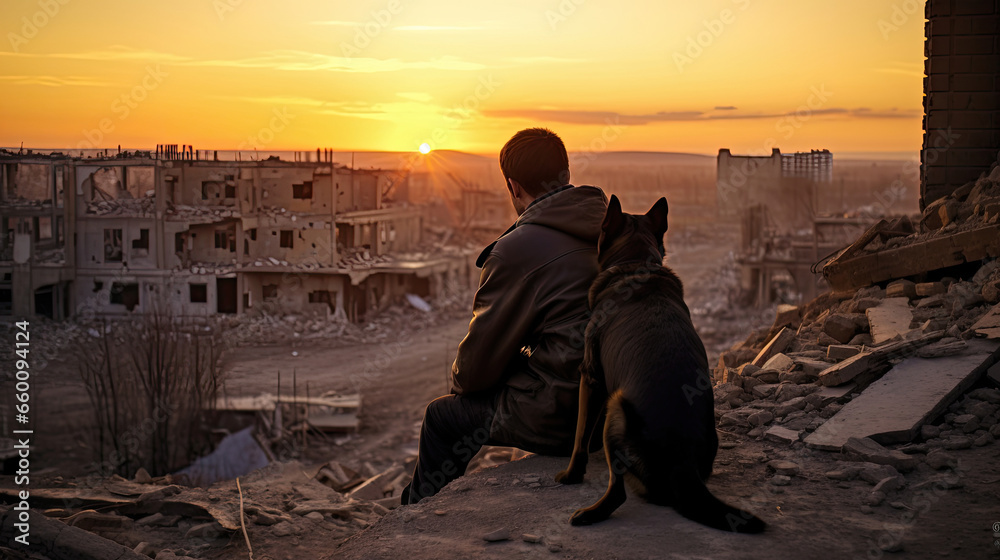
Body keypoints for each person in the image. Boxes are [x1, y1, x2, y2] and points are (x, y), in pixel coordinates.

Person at [403, 128, 608, 504]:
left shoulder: (515, 250)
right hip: (617, 412)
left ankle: (414, 519)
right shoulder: (613, 229)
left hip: (566, 419)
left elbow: (473, 373)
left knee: (442, 418)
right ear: (565, 173)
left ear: (514, 187)